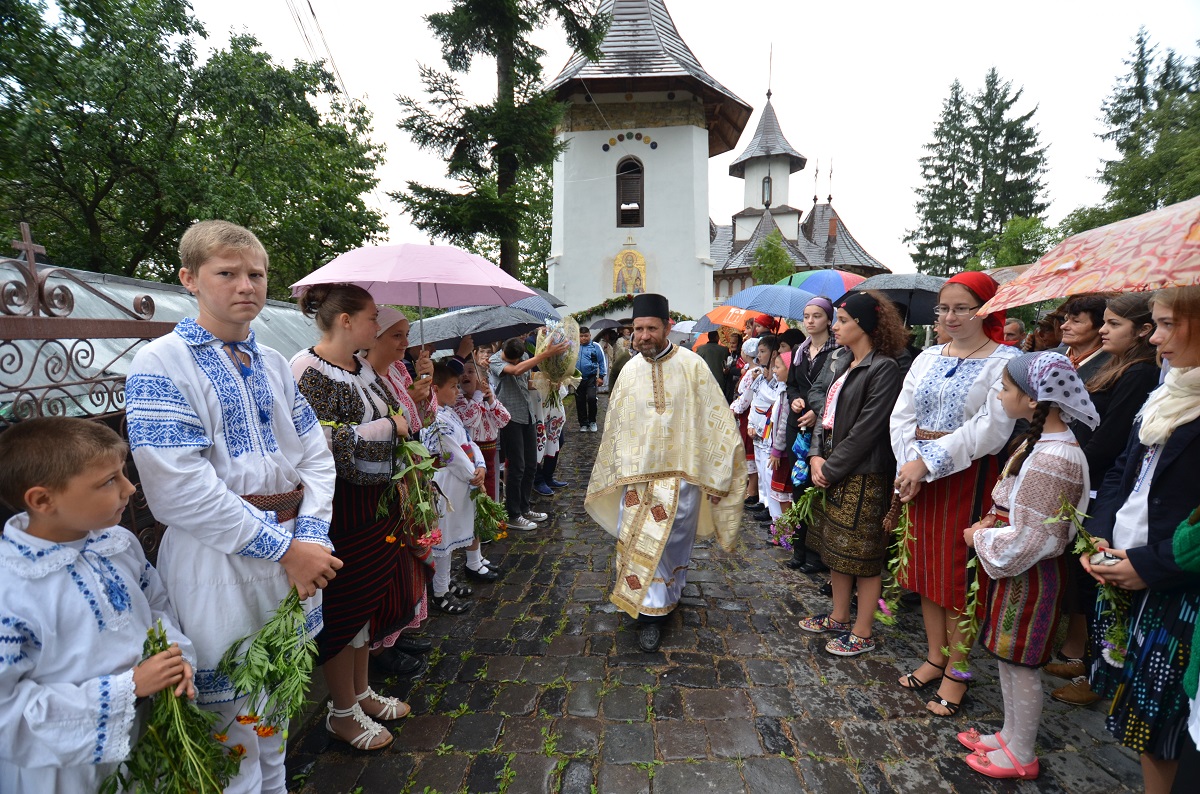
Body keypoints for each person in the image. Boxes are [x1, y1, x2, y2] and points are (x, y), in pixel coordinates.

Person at [126, 221, 340, 791]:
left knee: (274, 712)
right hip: (218, 564)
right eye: (227, 273)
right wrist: (286, 548)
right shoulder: (160, 364)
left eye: (256, 274)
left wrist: (312, 536)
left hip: (294, 555)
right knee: (231, 731)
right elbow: (178, 488)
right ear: (190, 279)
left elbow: (315, 456)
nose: (246, 285)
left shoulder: (272, 361)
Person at [0, 418, 196, 792]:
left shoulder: (118, 543)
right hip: (64, 768)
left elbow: (155, 607)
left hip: (146, 738)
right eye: (108, 481)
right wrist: (127, 688)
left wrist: (175, 657)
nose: (129, 488)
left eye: (122, 474)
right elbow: (7, 710)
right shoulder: (11, 586)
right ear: (42, 500)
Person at [1080, 286, 1200, 794]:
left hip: (1178, 583)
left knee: (1166, 720)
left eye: (1170, 324)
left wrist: (1150, 564)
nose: (1157, 338)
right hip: (1128, 558)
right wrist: (1101, 533)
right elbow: (1124, 472)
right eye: (1155, 324)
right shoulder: (1167, 391)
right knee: (1143, 712)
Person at [292, 284, 420, 753]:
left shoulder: (363, 367)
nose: (376, 324)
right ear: (344, 320)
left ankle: (361, 692)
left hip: (375, 502)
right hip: (341, 508)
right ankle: (341, 711)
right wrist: (390, 427)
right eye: (371, 317)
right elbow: (313, 443)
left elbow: (394, 413)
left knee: (367, 601)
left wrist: (396, 423)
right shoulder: (307, 369)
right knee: (343, 608)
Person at [889, 270, 1020, 717]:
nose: (950, 316)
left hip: (968, 476)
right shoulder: (926, 357)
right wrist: (910, 464)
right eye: (943, 308)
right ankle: (934, 656)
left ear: (985, 310)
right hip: (920, 475)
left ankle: (958, 672)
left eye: (962, 307)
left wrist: (927, 462)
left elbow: (991, 427)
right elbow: (902, 414)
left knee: (958, 578)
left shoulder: (1004, 361)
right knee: (925, 571)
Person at [960, 351, 1095, 780]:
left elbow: (1036, 537)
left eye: (1005, 388)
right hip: (1020, 571)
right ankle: (1008, 734)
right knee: (1007, 658)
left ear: (1033, 399)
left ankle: (1022, 752)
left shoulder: (1055, 458)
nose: (1000, 394)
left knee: (1022, 664)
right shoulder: (1040, 442)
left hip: (1030, 574)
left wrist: (978, 536)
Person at [586, 294, 747, 652]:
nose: (643, 335)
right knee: (636, 540)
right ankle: (650, 615)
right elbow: (616, 426)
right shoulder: (628, 370)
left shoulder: (692, 366)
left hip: (680, 479)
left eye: (650, 328)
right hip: (637, 478)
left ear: (667, 327)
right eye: (638, 329)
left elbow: (715, 421)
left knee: (672, 545)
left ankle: (666, 599)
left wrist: (717, 476)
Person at [1048, 293, 1161, 706]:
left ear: (1142, 331)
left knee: (1100, 584)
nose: (1102, 330)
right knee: (1085, 579)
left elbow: (1109, 441)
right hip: (1090, 479)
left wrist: (1066, 463)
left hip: (1097, 483)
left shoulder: (1139, 374)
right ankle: (1090, 662)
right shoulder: (1118, 366)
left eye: (1113, 324)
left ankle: (1100, 676)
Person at [797, 292, 906, 656]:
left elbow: (868, 428)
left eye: (843, 320)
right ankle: (839, 616)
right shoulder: (843, 361)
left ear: (864, 325)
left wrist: (831, 466)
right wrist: (815, 457)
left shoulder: (883, 368)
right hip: (831, 467)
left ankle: (862, 631)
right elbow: (823, 416)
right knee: (835, 548)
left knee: (863, 556)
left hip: (864, 474)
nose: (836, 326)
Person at [364, 307, 435, 667]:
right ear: (373, 335)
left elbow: (420, 422)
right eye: (397, 335)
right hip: (383, 482)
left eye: (407, 335)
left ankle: (399, 631)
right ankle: (379, 646)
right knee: (389, 562)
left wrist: (423, 389)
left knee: (408, 560)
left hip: (408, 477)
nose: (405, 344)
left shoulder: (396, 372)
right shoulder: (364, 377)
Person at [422, 363, 493, 614]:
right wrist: (473, 474)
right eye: (452, 387)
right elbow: (451, 452)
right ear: (435, 389)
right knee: (444, 535)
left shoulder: (449, 412)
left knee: (451, 536)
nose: (457, 391)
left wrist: (480, 464)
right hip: (446, 482)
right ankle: (439, 592)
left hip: (461, 478)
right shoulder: (434, 418)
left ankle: (445, 582)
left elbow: (468, 441)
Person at [490, 336, 569, 531]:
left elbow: (527, 382)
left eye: (517, 359)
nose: (515, 363)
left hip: (528, 415)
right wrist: (546, 354)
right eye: (511, 360)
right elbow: (516, 371)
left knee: (532, 464)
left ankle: (525, 507)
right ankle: (513, 514)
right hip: (510, 418)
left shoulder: (523, 356)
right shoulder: (495, 360)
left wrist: (551, 383)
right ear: (504, 353)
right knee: (517, 467)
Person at [784, 296, 840, 572]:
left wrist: (818, 412)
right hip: (799, 426)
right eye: (806, 316)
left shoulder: (838, 351)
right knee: (798, 488)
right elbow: (791, 385)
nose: (810, 321)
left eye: (816, 316)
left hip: (823, 428)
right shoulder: (800, 350)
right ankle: (798, 548)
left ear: (828, 320)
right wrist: (794, 399)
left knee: (817, 492)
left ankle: (816, 554)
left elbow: (836, 390)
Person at [455, 358, 511, 503]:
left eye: (470, 372)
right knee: (474, 488)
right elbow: (470, 420)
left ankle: (491, 519)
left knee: (490, 485)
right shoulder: (459, 400)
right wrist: (478, 396)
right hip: (471, 452)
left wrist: (491, 400)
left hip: (490, 449)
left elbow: (504, 420)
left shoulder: (488, 399)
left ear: (483, 379)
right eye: (462, 373)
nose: (465, 375)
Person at [732, 337, 763, 511]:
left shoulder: (754, 372)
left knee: (750, 452)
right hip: (744, 414)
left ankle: (752, 491)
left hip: (748, 414)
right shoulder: (749, 370)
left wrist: (735, 408)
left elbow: (747, 396)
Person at [1058, 295, 1111, 380]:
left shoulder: (1113, 366)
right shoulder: (1048, 357)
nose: (1063, 326)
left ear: (1101, 327)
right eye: (1066, 320)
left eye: (1076, 321)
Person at [576, 326, 608, 432]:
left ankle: (592, 421)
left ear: (590, 335)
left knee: (591, 398)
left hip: (591, 377)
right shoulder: (575, 346)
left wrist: (601, 376)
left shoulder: (595, 346)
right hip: (578, 378)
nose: (584, 338)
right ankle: (583, 423)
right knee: (580, 400)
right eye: (581, 336)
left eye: (586, 336)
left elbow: (602, 361)